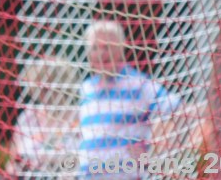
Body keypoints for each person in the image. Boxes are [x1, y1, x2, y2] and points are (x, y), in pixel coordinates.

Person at [78, 20, 182, 179]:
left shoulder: (138, 84)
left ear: (120, 48)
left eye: (106, 47)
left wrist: (152, 150)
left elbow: (177, 109)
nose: (100, 53)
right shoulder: (86, 89)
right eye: (94, 48)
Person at [6, 56, 81, 178]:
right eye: (40, 84)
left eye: (53, 84)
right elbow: (12, 162)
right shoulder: (27, 118)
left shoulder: (80, 116)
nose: (45, 90)